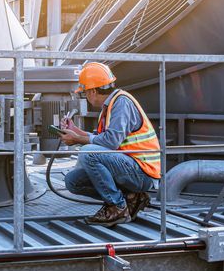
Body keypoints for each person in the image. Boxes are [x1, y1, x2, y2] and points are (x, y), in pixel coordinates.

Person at [58, 62, 161, 226]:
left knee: (88, 152)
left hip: (142, 172)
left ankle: (117, 207)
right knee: (72, 181)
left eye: (84, 93)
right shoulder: (110, 106)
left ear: (92, 91)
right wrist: (76, 132)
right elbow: (102, 140)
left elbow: (110, 142)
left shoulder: (121, 103)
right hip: (128, 166)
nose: (86, 97)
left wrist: (78, 140)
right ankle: (131, 197)